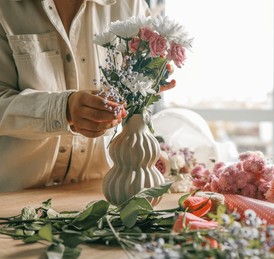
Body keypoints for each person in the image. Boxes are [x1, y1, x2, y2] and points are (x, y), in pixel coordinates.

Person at [0, 0, 174, 192]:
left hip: (101, 195)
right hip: (12, 199)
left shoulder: (131, 5)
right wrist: (63, 108)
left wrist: (149, 83)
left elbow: (138, 86)